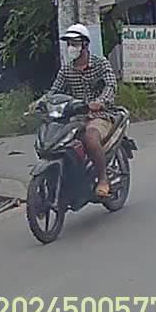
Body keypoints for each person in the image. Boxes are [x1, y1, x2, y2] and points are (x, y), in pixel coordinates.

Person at [45, 24, 120, 198]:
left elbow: (111, 85)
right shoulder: (66, 70)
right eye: (69, 44)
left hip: (100, 116)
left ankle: (103, 179)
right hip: (75, 117)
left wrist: (100, 102)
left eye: (75, 43)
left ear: (85, 45)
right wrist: (39, 103)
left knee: (90, 138)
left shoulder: (100, 64)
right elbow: (54, 92)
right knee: (54, 141)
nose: (71, 47)